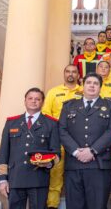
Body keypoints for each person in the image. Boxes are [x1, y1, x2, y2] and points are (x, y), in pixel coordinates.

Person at [59, 73, 111, 209]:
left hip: (98, 165)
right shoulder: (69, 106)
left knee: (97, 206)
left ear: (100, 87)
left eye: (95, 83)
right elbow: (62, 131)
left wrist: (92, 150)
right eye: (89, 82)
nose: (92, 86)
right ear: (82, 85)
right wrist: (76, 151)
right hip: (74, 164)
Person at [0, 88, 60, 209]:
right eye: (30, 98)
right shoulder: (11, 123)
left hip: (39, 179)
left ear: (42, 102)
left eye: (37, 99)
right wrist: (2, 180)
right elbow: (3, 153)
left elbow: (57, 154)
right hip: (15, 179)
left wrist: (48, 164)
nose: (33, 101)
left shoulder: (51, 124)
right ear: (25, 101)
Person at [41, 64, 82, 209]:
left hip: (79, 141)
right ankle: (52, 205)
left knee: (77, 175)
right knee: (55, 173)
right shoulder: (53, 92)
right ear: (64, 74)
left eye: (74, 72)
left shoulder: (83, 91)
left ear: (78, 75)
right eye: (68, 71)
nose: (71, 74)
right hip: (58, 139)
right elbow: (46, 114)